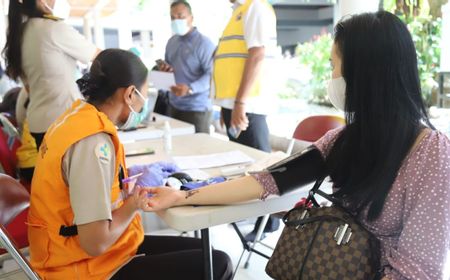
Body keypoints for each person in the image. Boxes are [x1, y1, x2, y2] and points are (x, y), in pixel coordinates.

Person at [144, 11, 450, 280]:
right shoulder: (344, 139)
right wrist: (182, 196)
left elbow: (416, 272)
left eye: (333, 66)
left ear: (365, 74)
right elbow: (265, 182)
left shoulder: (432, 155)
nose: (330, 78)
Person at [28, 49, 232, 280]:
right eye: (144, 97)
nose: (143, 107)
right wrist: (134, 204)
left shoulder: (76, 118)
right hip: (83, 268)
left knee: (208, 254)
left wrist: (121, 181)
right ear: (130, 94)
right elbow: (95, 242)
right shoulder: (93, 142)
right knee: (217, 265)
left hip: (82, 252)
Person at [213, 0, 279, 240]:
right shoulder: (238, 11)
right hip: (235, 103)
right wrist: (226, 104)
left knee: (261, 166)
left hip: (250, 104)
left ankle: (269, 222)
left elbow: (257, 54)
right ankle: (253, 212)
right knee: (245, 164)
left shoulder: (256, 7)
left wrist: (240, 102)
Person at [3, 0, 99, 149]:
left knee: (51, 171)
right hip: (65, 119)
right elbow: (97, 56)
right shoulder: (53, 28)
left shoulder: (18, 35)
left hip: (38, 123)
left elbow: (28, 88)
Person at [157, 1, 215, 133]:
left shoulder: (204, 43)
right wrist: (165, 71)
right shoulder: (171, 42)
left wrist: (190, 89)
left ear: (191, 18)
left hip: (197, 108)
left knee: (198, 149)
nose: (176, 20)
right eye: (173, 17)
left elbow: (211, 75)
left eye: (180, 16)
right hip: (174, 105)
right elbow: (168, 69)